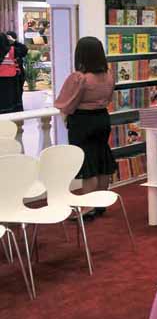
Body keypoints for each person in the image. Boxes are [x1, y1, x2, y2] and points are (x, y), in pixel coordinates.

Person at [54, 37, 116, 217]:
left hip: (83, 121)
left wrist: (66, 117)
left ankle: (87, 208)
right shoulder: (108, 74)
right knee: (101, 157)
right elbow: (109, 98)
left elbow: (65, 103)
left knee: (87, 162)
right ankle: (100, 203)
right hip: (102, 118)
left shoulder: (79, 77)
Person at [0, 31, 27, 114]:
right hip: (12, 80)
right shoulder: (13, 50)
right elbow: (24, 50)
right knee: (11, 104)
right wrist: (14, 41)